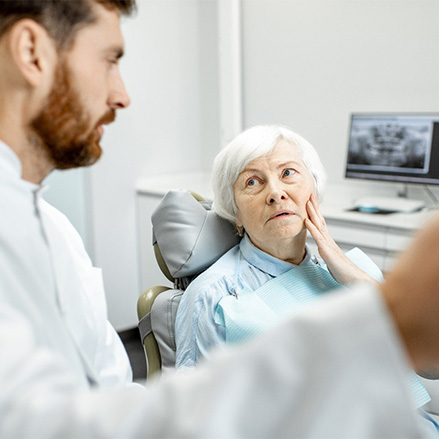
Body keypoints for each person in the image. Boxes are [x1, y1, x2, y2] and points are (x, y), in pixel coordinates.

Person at [0, 1, 439, 437]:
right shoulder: (215, 296)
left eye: (289, 173)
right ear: (32, 52)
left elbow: (118, 404)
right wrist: (387, 317)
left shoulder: (56, 232)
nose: (123, 95)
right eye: (110, 59)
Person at [175, 125, 383, 368]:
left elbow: (431, 368)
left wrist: (347, 270)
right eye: (252, 182)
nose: (275, 193)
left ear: (313, 190)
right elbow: (200, 401)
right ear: (236, 213)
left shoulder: (353, 272)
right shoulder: (213, 294)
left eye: (287, 173)